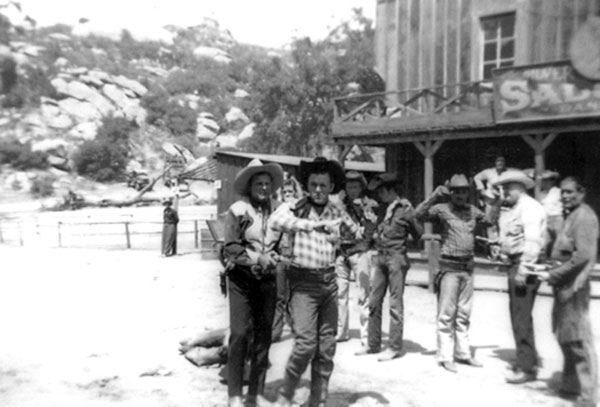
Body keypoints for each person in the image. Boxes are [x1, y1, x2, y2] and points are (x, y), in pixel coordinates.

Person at [271, 157, 359, 407]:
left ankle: (318, 399)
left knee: (326, 347)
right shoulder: (296, 206)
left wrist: (348, 226)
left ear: (331, 186)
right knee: (306, 344)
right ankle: (285, 395)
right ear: (307, 185)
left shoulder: (336, 210)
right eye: (314, 185)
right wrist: (311, 225)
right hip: (303, 284)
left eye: (323, 185)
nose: (318, 190)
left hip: (329, 283)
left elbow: (356, 232)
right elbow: (276, 221)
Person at [414, 174, 497, 373]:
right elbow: (418, 214)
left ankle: (463, 353)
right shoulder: (442, 210)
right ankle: (445, 356)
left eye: (464, 191)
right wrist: (435, 195)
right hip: (449, 269)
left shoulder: (473, 211)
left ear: (468, 193)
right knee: (446, 315)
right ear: (450, 192)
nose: (460, 195)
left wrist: (495, 201)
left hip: (467, 269)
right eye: (456, 191)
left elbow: (490, 220)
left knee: (464, 314)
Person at [222, 158, 285, 407]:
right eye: (258, 183)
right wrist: (258, 258)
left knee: (263, 336)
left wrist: (278, 255)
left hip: (267, 280)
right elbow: (231, 247)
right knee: (239, 334)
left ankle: (255, 392)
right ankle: (234, 394)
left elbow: (282, 243)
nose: (263, 188)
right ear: (250, 185)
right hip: (241, 279)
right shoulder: (237, 210)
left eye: (267, 183)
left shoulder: (280, 210)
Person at [535, 177, 598, 407]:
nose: (565, 196)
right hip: (563, 284)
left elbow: (582, 256)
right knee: (564, 335)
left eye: (570, 192)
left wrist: (554, 274)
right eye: (562, 192)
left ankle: (588, 395)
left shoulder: (584, 216)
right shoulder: (571, 214)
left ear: (582, 192)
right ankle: (571, 385)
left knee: (578, 340)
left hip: (575, 285)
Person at [356, 172, 422, 361]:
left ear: (391, 190)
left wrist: (412, 216)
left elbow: (418, 233)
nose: (379, 195)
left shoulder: (405, 208)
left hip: (396, 259)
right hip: (381, 257)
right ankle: (373, 344)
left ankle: (394, 347)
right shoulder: (382, 209)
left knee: (395, 304)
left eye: (382, 191)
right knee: (374, 301)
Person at [492, 169, 546, 384]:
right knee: (518, 315)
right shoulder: (515, 208)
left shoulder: (530, 208)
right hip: (514, 263)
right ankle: (526, 360)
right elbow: (512, 238)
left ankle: (526, 368)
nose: (504, 191)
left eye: (507, 187)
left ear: (520, 187)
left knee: (521, 317)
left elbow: (532, 242)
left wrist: (523, 269)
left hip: (525, 266)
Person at [335, 171, 378, 344]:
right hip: (342, 250)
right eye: (349, 186)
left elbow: (370, 229)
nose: (352, 190)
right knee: (340, 293)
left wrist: (360, 208)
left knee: (363, 294)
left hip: (360, 251)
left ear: (361, 187)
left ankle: (366, 334)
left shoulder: (369, 205)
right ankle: (341, 331)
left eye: (355, 186)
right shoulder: (340, 205)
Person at [272, 177, 302, 342]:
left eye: (290, 192)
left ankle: (298, 328)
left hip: (297, 257)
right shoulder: (278, 211)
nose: (287, 195)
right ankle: (276, 332)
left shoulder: (300, 210)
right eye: (284, 192)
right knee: (280, 296)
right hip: (282, 257)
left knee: (297, 296)